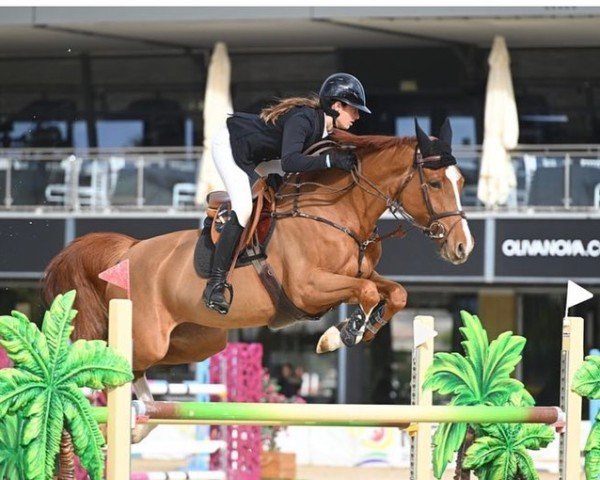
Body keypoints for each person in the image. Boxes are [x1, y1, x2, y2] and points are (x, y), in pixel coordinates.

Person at [202, 72, 371, 315]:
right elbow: (291, 161)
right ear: (336, 106)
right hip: (232, 146)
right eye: (353, 109)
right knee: (244, 207)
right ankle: (215, 284)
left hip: (264, 156)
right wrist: (329, 161)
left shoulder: (326, 131)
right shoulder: (303, 118)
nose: (356, 116)